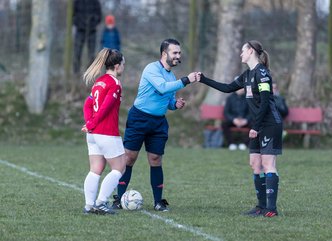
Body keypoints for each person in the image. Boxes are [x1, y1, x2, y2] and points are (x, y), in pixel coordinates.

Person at [111, 38, 198, 212]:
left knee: (156, 160)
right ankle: (119, 199)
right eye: (174, 53)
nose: (178, 56)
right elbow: (163, 87)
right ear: (164, 54)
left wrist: (175, 105)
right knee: (129, 158)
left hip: (158, 122)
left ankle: (158, 201)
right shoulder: (151, 69)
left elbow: (168, 99)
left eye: (179, 53)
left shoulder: (171, 76)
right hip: (139, 118)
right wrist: (186, 80)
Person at [199, 40, 282, 217]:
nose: (240, 54)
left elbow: (266, 102)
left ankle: (271, 209)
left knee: (268, 164)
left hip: (269, 125)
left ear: (251, 51)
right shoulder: (247, 75)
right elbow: (227, 88)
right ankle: (261, 207)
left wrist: (256, 127)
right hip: (258, 125)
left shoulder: (263, 73)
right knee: (255, 164)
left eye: (242, 51)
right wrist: (203, 79)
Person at [81, 48, 126, 215]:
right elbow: (105, 108)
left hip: (92, 135)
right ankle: (100, 203)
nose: (123, 67)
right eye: (123, 64)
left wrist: (89, 124)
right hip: (106, 132)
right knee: (120, 168)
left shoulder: (99, 82)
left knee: (96, 169)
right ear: (116, 66)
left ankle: (89, 205)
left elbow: (87, 104)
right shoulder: (114, 83)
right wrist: (92, 123)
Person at [73, 0, 102, 74]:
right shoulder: (77, 1)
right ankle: (76, 75)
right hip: (80, 29)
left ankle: (89, 76)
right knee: (77, 53)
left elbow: (99, 16)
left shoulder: (95, 2)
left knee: (91, 55)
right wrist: (78, 22)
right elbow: (73, 14)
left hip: (92, 31)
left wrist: (93, 22)